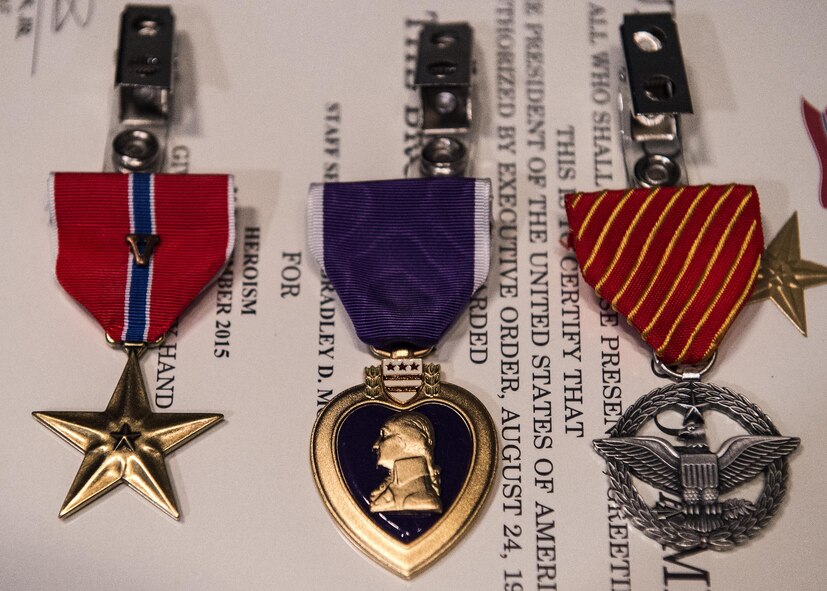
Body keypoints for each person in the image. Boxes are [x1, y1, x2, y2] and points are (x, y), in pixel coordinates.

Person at [369, 412, 442, 513]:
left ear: (409, 440)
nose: (376, 445)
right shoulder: (392, 489)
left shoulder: (419, 500)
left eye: (384, 434)